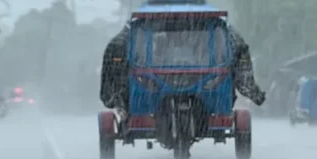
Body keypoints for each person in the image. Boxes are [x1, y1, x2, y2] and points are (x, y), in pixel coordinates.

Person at [99, 23, 266, 110]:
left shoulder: (226, 47)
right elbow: (114, 76)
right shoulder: (123, 48)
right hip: (160, 81)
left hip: (197, 81)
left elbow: (243, 74)